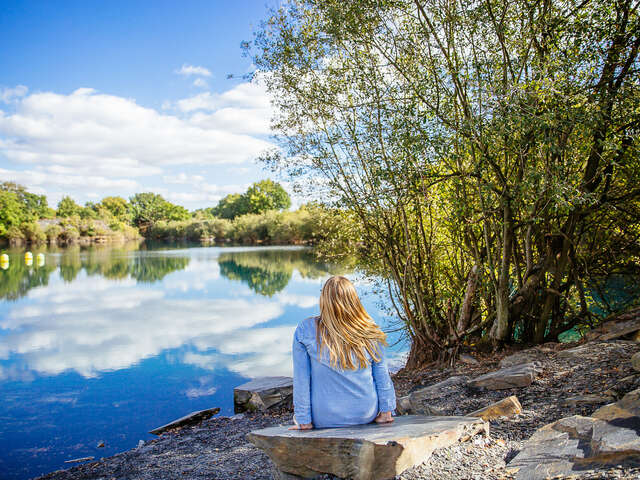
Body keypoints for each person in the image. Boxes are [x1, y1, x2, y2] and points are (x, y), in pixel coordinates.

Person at [290, 275, 396, 430]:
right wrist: (386, 412)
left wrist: (303, 421)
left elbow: (301, 380)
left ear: (324, 299)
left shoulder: (306, 329)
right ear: (354, 299)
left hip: (325, 417)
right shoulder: (369, 329)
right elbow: (382, 375)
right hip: (366, 413)